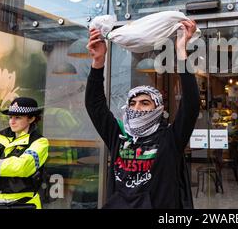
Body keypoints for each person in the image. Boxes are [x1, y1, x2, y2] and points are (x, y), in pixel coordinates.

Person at [85, 19, 200, 209]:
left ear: (157, 109)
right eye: (132, 103)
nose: (137, 108)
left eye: (145, 103)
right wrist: (98, 62)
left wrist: (181, 51)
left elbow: (191, 105)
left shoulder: (170, 139)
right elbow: (94, 105)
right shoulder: (119, 137)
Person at [0, 97, 49, 209]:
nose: (12, 121)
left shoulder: (40, 142)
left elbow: (22, 167)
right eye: (10, 117)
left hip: (24, 204)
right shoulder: (0, 140)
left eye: (18, 117)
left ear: (31, 119)